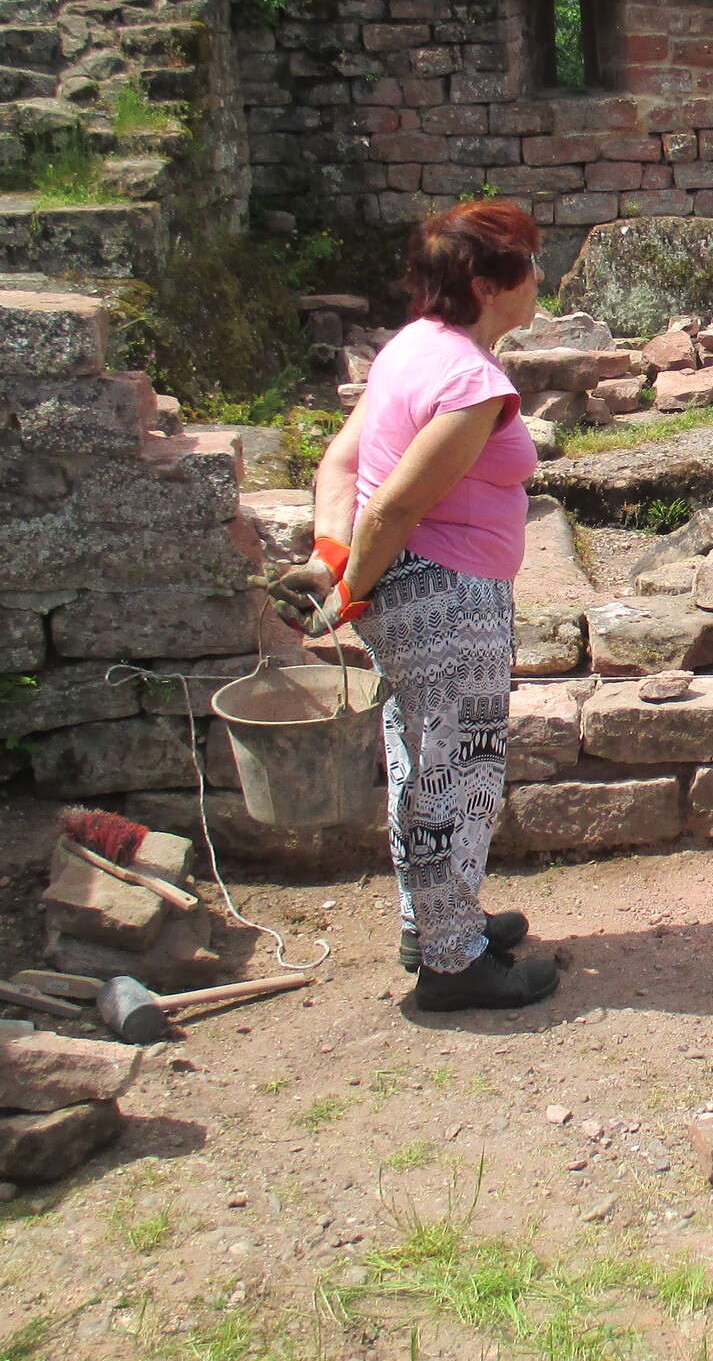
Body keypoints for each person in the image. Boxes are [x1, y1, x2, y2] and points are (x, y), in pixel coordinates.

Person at [270, 199, 561, 1012]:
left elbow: (340, 465)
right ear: (487, 284)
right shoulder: (471, 382)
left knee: (419, 754)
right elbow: (396, 505)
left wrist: (332, 562)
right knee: (457, 769)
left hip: (405, 596)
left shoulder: (410, 348)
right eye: (528, 263)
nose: (539, 276)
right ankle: (453, 963)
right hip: (447, 598)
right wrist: (347, 586)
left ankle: (430, 920)